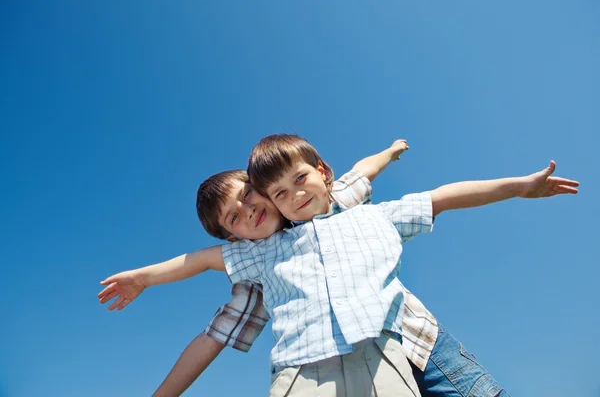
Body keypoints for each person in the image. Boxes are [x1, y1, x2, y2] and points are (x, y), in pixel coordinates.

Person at [100, 135, 579, 396]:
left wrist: (391, 152)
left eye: (252, 196)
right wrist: (143, 276)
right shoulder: (256, 261)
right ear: (233, 236)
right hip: (319, 362)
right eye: (236, 216)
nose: (252, 210)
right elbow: (200, 272)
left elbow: (365, 174)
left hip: (409, 334)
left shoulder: (335, 204)